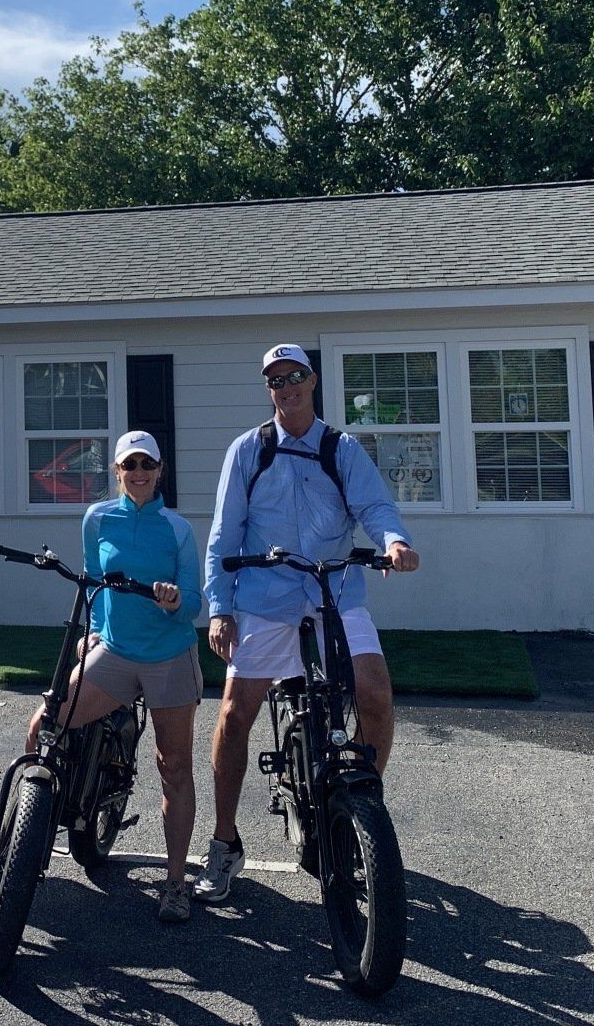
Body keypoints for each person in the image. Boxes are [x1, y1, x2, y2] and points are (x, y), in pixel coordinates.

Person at [193, 345, 420, 904]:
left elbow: (374, 507)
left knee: (375, 693)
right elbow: (224, 535)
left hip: (334, 595)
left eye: (295, 376)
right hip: (265, 601)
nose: (286, 386)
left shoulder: (340, 448)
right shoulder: (249, 450)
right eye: (275, 380)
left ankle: (361, 806)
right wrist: (220, 607)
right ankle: (224, 842)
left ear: (311, 381)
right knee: (233, 712)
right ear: (268, 389)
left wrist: (394, 541)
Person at [21, 430, 203, 924]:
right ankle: (30, 837)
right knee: (46, 722)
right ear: (117, 472)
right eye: (130, 465)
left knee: (174, 768)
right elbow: (93, 583)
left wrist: (174, 601)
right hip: (117, 653)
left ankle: (174, 882)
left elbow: (196, 602)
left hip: (169, 657)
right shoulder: (97, 518)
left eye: (148, 464)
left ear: (160, 471)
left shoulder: (177, 528)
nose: (139, 472)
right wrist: (95, 635)